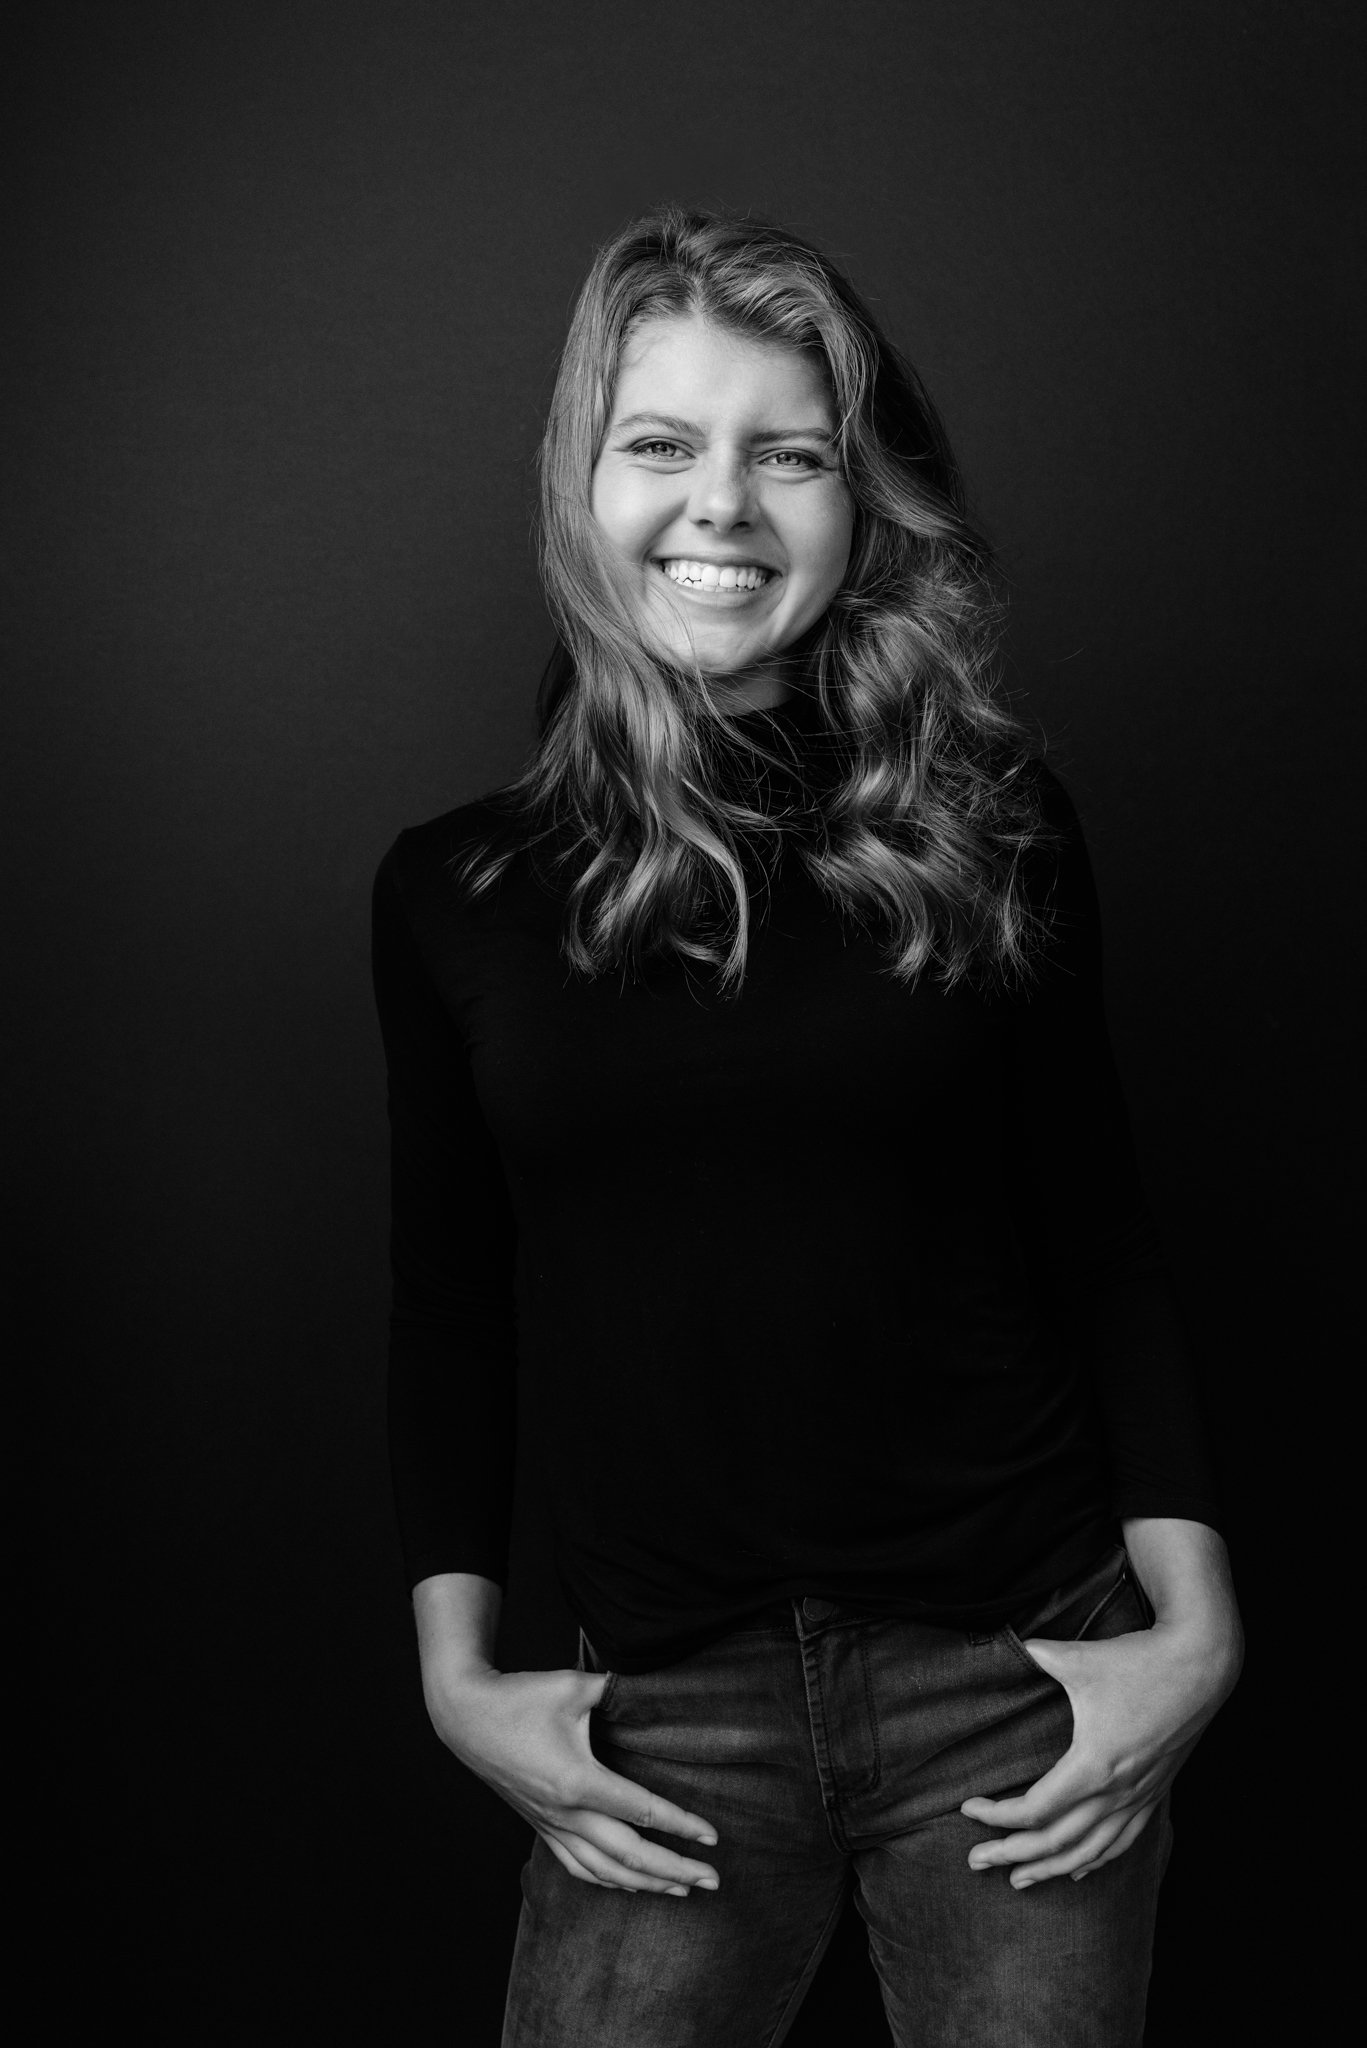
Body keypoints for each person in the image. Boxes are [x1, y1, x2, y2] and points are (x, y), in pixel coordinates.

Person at [371, 208, 1243, 2048]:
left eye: (791, 456)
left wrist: (1195, 1631)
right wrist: (457, 1679)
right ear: (580, 482)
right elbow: (452, 1296)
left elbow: (1099, 1228)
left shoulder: (991, 825)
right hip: (662, 1725)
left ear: (858, 506)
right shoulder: (453, 889)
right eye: (664, 445)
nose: (726, 512)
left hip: (1015, 1681)